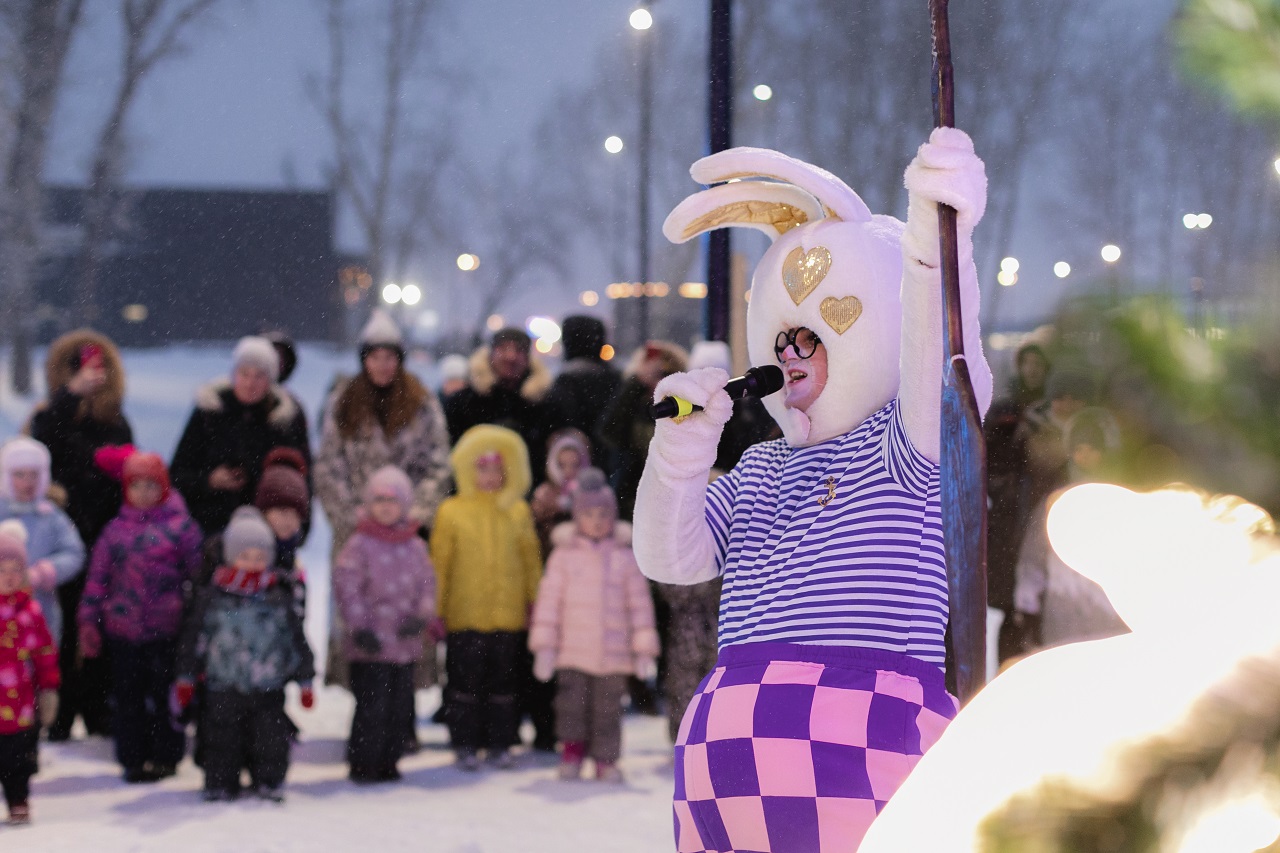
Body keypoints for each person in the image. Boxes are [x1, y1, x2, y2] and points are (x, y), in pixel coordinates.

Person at [633, 131, 992, 849]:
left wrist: (933, 247)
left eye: (813, 337)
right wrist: (679, 451)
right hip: (726, 769)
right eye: (782, 338)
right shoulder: (763, 468)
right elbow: (670, 557)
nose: (790, 355)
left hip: (858, 753)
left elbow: (944, 364)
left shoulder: (905, 447)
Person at [315, 310, 450, 696]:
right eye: (374, 356)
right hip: (357, 530)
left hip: (406, 533)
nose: (382, 365)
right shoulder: (344, 402)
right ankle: (365, 714)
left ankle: (401, 714)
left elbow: (438, 461)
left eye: (390, 357)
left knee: (406, 614)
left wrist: (417, 514)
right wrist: (350, 517)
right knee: (359, 615)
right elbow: (328, 463)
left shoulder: (421, 402)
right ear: (363, 359)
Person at [28, 329, 132, 741]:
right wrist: (68, 398)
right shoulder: (48, 414)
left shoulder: (115, 420)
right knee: (62, 629)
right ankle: (59, 713)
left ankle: (98, 710)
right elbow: (45, 449)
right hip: (59, 536)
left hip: (105, 534)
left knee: (100, 627)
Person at [78, 449, 204, 783]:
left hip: (167, 630)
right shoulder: (115, 531)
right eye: (136, 485)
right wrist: (88, 621)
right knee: (127, 698)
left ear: (163, 486)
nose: (144, 492)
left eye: (152, 485)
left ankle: (166, 756)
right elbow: (97, 579)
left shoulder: (182, 529)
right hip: (123, 631)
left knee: (166, 697)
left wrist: (196, 622)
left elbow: (199, 577)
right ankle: (132, 758)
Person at [175, 507, 315, 802]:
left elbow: (295, 638)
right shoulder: (212, 597)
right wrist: (186, 676)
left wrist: (305, 678)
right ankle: (220, 781)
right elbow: (194, 638)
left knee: (270, 738)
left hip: (268, 684)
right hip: (222, 683)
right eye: (245, 556)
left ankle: (268, 780)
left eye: (260, 557)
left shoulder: (279, 596)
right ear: (230, 555)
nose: (253, 564)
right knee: (221, 738)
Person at [528, 468, 659, 782]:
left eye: (603, 514)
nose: (597, 520)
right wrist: (544, 646)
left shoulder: (625, 557)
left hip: (613, 656)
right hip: (572, 652)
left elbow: (639, 606)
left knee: (608, 711)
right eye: (588, 514)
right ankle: (572, 753)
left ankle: (606, 759)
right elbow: (549, 604)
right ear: (576, 517)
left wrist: (643, 648)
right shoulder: (563, 556)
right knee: (571, 707)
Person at [431, 425, 542, 770]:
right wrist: (436, 609)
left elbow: (530, 561)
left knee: (504, 685)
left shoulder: (518, 511)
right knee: (464, 683)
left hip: (508, 616)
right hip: (464, 616)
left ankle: (500, 741)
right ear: (467, 469)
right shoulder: (451, 511)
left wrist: (534, 602)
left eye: (497, 469)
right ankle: (464, 741)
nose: (490, 476)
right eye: (482, 468)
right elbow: (440, 565)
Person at [334, 466, 438, 784]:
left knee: (399, 706)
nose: (385, 507)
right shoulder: (359, 543)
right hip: (371, 645)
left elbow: (427, 584)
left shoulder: (415, 545)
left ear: (405, 504)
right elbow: (347, 586)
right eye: (378, 500)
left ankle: (390, 760)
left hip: (404, 645)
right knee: (371, 707)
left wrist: (421, 616)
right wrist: (359, 627)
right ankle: (364, 763)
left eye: (392, 501)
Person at [1010, 408, 1127, 654]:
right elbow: (1033, 557)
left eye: (1092, 449)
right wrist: (1026, 606)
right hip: (1062, 620)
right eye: (1079, 449)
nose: (1084, 456)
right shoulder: (1055, 504)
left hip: (1109, 621)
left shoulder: (1121, 501)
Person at [170, 335, 311, 537]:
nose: (250, 383)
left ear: (270, 380)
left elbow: (300, 479)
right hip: (208, 526)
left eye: (259, 376)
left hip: (269, 533)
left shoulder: (285, 420)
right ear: (234, 374)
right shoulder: (210, 412)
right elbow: (178, 473)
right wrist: (209, 481)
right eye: (244, 374)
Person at [443, 327, 556, 489]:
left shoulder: (544, 404)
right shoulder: (462, 402)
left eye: (519, 350)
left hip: (529, 499)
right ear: (490, 354)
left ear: (528, 358)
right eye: (503, 349)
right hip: (470, 498)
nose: (511, 357)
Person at [0, 522, 60, 826]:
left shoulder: (30, 611)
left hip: (21, 704)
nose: (9, 577)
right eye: (2, 570)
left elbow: (44, 652)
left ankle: (18, 799)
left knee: (18, 758)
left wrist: (49, 688)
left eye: (15, 569)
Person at [0, 437, 85, 645]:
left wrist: (43, 573)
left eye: (34, 475)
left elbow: (75, 552)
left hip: (39, 611)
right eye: (19, 474)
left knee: (38, 665)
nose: (28, 482)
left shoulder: (50, 516)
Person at [598, 340, 688, 521]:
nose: (659, 383)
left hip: (674, 500)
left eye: (665, 374)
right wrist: (637, 382)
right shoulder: (634, 403)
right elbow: (609, 432)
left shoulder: (685, 406)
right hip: (632, 498)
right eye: (655, 376)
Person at [545, 315, 620, 470]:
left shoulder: (567, 380)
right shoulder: (614, 377)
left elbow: (562, 421)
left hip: (576, 464)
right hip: (612, 462)